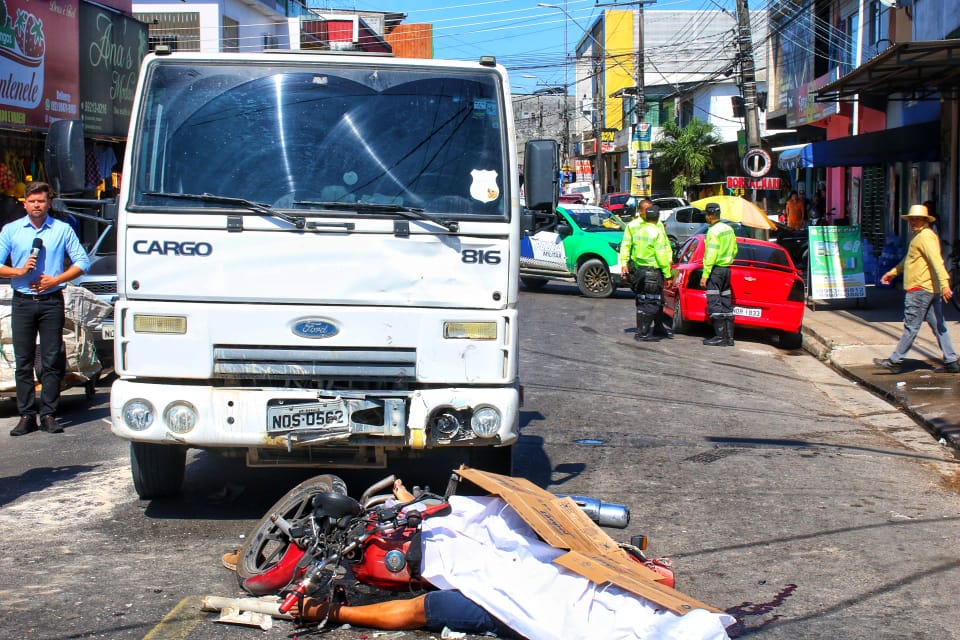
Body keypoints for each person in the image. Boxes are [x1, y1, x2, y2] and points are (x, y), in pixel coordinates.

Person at [292, 479, 734, 640]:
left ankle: (334, 609)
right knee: (490, 527)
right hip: (504, 563)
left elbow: (418, 612)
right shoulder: (611, 572)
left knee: (431, 610)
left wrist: (338, 611)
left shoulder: (622, 615)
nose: (658, 572)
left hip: (520, 601)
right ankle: (407, 516)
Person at [0, 182, 90, 436]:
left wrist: (57, 279)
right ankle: (26, 414)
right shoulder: (12, 230)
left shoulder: (61, 230)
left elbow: (82, 261)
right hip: (23, 300)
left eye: (41, 201)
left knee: (51, 360)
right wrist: (18, 271)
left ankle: (49, 413)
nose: (37, 206)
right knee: (23, 360)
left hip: (51, 299)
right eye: (32, 201)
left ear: (48, 203)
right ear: (25, 203)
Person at [874, 204, 958, 374]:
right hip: (928, 289)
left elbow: (936, 261)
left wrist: (944, 284)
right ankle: (951, 361)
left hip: (920, 289)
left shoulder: (925, 237)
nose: (913, 222)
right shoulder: (918, 236)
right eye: (911, 219)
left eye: (917, 219)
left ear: (925, 220)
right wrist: (892, 273)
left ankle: (895, 361)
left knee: (911, 326)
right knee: (939, 325)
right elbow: (908, 261)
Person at [619, 203, 673, 341]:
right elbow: (626, 245)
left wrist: (670, 260)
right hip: (648, 268)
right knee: (647, 300)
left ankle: (657, 326)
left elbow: (665, 244)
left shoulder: (657, 225)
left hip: (650, 268)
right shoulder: (633, 226)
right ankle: (643, 330)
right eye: (646, 209)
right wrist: (624, 263)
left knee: (656, 299)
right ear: (640, 211)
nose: (648, 211)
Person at [700, 203, 738, 347]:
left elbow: (711, 254)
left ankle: (720, 337)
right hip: (727, 270)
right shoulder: (729, 229)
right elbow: (734, 250)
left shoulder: (713, 231)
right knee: (726, 303)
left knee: (714, 303)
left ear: (709, 216)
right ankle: (729, 338)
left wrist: (705, 274)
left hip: (716, 271)